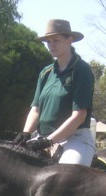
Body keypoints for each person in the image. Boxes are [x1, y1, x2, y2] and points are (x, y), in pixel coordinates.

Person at [15, 19, 96, 166]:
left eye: (56, 40)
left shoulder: (81, 70)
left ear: (69, 40)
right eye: (48, 41)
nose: (51, 45)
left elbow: (79, 116)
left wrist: (49, 140)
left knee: (66, 175)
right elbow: (36, 109)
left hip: (75, 140)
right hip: (41, 138)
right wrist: (25, 133)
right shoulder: (45, 73)